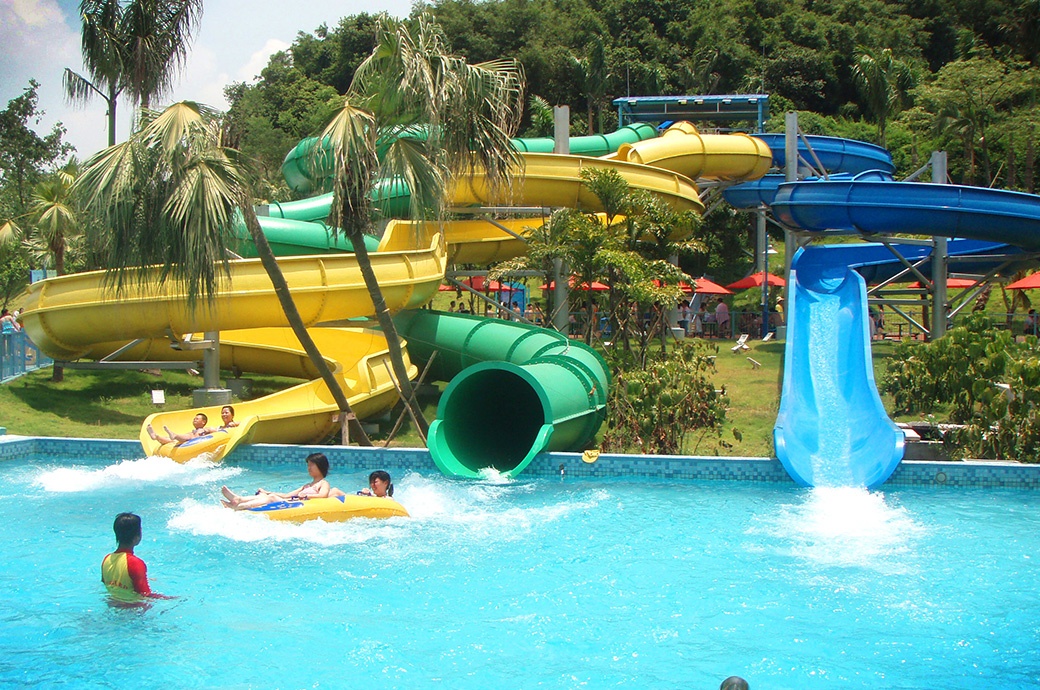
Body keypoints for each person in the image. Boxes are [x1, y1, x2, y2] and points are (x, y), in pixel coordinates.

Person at [221, 452, 331, 510]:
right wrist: (267, 492)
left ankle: (238, 506)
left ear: (320, 466)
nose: (309, 468)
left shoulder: (323, 483)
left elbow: (323, 495)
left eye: (312, 465)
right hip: (292, 502)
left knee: (272, 498)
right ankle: (238, 499)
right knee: (268, 496)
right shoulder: (307, 486)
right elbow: (287, 495)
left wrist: (306, 496)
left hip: (300, 506)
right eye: (308, 465)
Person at [101, 512, 171, 601]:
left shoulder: (106, 559)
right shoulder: (135, 563)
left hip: (112, 604)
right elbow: (145, 594)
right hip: (132, 610)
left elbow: (110, 583)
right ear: (137, 537)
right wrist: (169, 598)